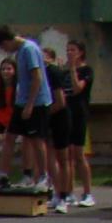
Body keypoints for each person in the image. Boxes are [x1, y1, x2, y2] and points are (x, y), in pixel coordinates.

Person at [0, 25, 52, 190]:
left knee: (36, 140)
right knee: (9, 137)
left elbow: (37, 78)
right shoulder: (20, 52)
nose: (5, 51)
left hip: (36, 102)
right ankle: (3, 174)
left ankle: (43, 177)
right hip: (21, 102)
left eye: (3, 48)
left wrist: (30, 105)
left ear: (7, 41)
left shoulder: (29, 49)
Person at [64, 40, 97, 207]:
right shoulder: (64, 72)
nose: (69, 53)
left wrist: (72, 69)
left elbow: (77, 89)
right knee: (67, 154)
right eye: (68, 50)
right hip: (66, 114)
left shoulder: (86, 71)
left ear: (80, 52)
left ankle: (87, 193)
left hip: (79, 114)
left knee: (78, 154)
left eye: (73, 50)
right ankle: (68, 192)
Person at [42, 46, 73, 212]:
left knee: (63, 158)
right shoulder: (38, 73)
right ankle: (56, 193)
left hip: (59, 117)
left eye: (44, 56)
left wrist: (44, 114)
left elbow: (60, 102)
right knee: (50, 158)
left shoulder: (53, 72)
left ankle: (64, 196)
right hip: (48, 117)